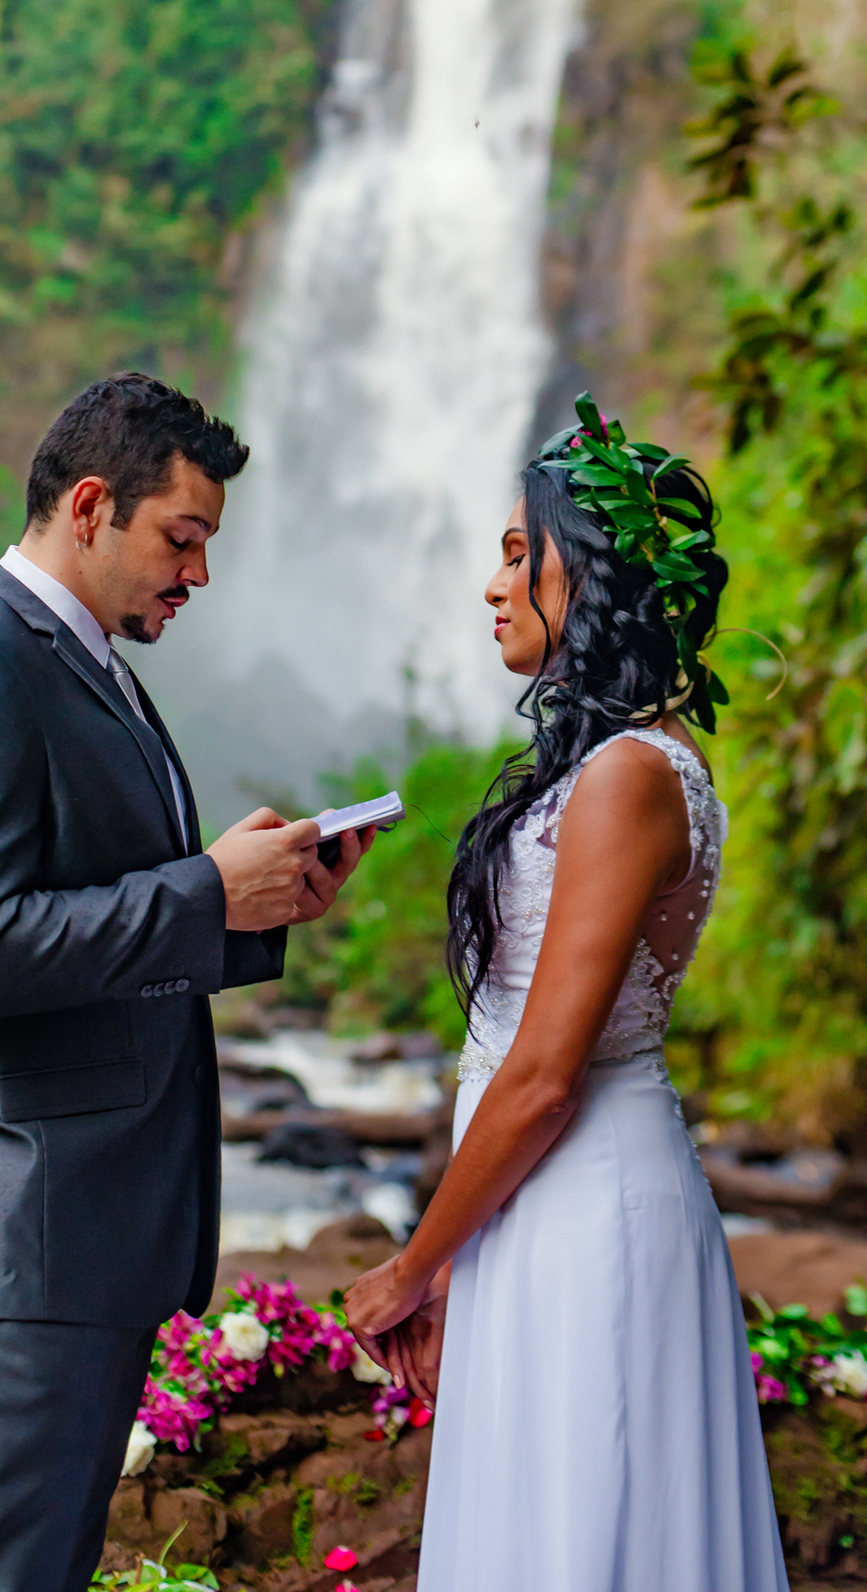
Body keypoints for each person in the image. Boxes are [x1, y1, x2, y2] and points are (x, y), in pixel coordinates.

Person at [0, 372, 373, 1592]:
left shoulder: (91, 669)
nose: (196, 575)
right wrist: (202, 890)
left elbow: (85, 911)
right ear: (91, 504)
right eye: (182, 539)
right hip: (8, 1231)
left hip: (71, 1235)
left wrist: (254, 905)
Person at [344, 395, 787, 1591]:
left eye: (514, 555)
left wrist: (410, 1266)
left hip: (583, 1202)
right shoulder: (616, 764)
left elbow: (541, 1079)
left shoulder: (630, 777)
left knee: (589, 1529)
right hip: (537, 1207)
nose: (492, 586)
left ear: (584, 577)